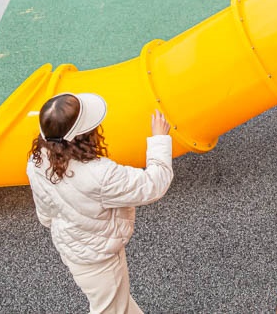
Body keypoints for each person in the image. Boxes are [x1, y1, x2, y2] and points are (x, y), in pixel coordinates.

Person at [27, 93, 174, 314]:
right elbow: (154, 184)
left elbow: (46, 211)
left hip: (75, 250)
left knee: (118, 303)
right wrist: (159, 139)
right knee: (109, 309)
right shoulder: (101, 174)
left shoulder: (37, 160)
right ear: (84, 136)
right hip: (100, 260)